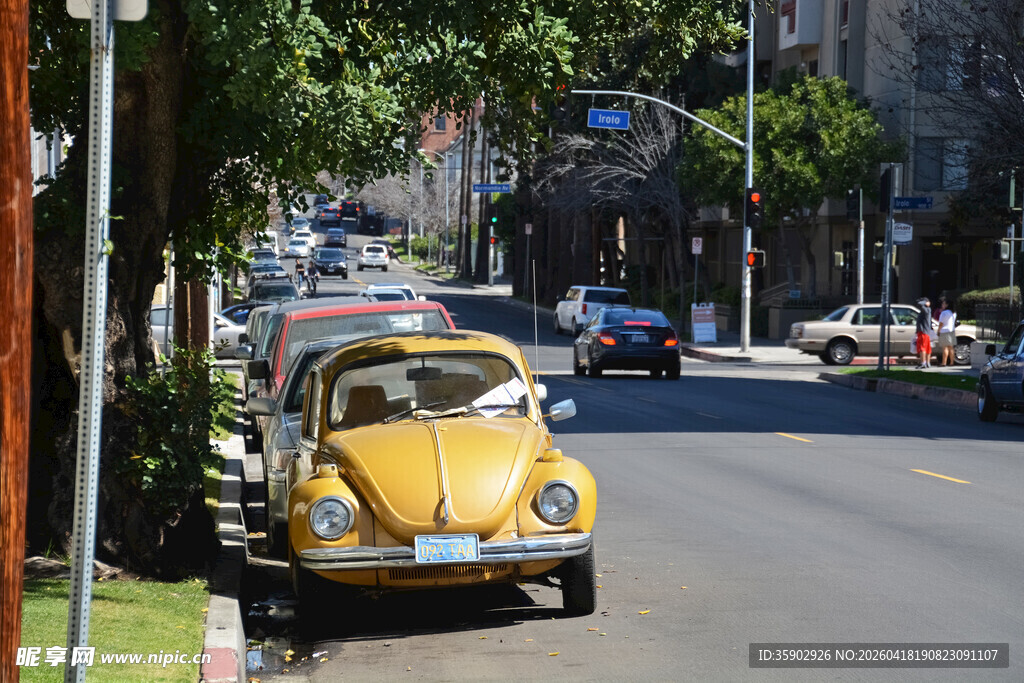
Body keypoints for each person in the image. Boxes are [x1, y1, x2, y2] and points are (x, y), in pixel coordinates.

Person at [937, 299, 957, 366]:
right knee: (951, 347)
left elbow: (941, 323)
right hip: (951, 330)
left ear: (947, 305)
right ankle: (952, 362)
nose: (942, 305)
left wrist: (938, 330)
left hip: (944, 331)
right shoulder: (953, 313)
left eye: (943, 304)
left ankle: (944, 362)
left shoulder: (944, 313)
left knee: (945, 347)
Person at [915, 297, 933, 369]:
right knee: (927, 348)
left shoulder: (926, 310)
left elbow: (919, 303)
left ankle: (923, 363)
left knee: (922, 348)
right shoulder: (927, 310)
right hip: (926, 332)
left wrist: (925, 302)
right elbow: (918, 302)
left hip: (923, 332)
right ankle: (927, 363)